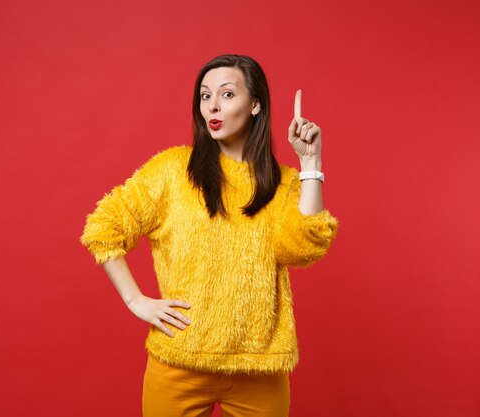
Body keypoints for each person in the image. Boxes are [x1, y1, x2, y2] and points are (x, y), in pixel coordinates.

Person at [79, 54, 339, 417]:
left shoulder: (283, 184)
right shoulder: (173, 170)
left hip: (259, 367)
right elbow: (102, 227)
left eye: (227, 94)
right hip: (179, 363)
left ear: (255, 105)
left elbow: (306, 247)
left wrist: (311, 165)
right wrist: (135, 300)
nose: (212, 106)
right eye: (205, 96)